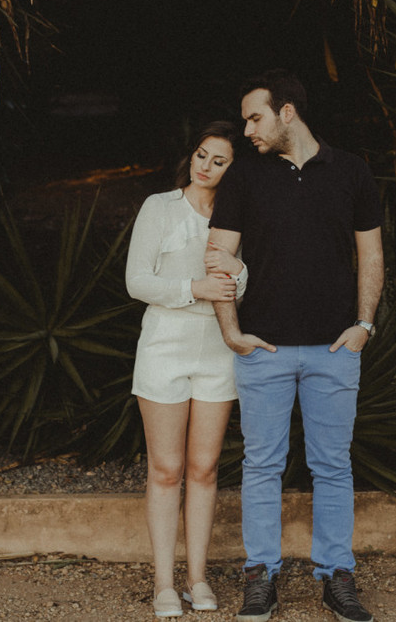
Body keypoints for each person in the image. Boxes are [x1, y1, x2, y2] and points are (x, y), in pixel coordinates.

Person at [207, 71, 383, 622]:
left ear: (287, 113)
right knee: (262, 465)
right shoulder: (244, 178)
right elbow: (217, 257)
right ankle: (261, 577)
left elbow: (371, 255)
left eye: (255, 118)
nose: (247, 130)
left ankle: (336, 577)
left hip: (335, 349)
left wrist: (364, 325)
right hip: (266, 351)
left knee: (332, 466)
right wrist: (232, 334)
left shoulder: (351, 171)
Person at [126, 121, 248, 618]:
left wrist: (238, 276)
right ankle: (163, 583)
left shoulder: (238, 217)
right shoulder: (160, 207)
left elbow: (246, 284)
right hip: (165, 345)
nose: (205, 166)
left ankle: (198, 579)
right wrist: (194, 288)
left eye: (219, 162)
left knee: (203, 469)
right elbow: (137, 280)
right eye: (202, 155)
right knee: (166, 468)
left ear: (233, 171)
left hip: (218, 350)